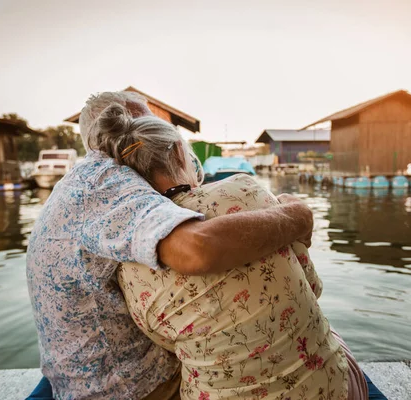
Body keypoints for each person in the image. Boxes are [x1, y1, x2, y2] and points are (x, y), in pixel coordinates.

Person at [26, 91, 315, 400]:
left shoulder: (84, 179)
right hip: (128, 388)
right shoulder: (107, 182)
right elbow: (197, 249)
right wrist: (297, 216)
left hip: (78, 377)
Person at [94, 103, 372, 399]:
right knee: (331, 336)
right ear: (178, 152)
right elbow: (312, 287)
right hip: (329, 391)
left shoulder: (128, 263)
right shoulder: (245, 189)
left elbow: (168, 343)